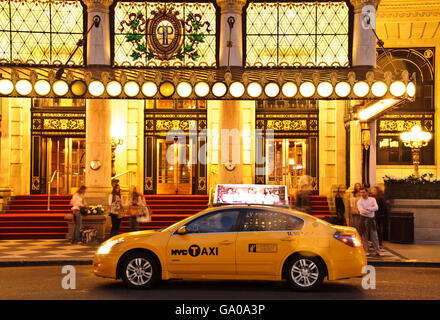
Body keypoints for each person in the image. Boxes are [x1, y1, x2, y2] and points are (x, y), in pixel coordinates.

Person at [357, 187, 381, 256]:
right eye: (361, 192)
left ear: (367, 192)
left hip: (371, 219)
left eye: (363, 192)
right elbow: (362, 211)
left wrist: (367, 208)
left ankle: (377, 251)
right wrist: (371, 209)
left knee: (374, 236)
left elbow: (376, 208)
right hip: (363, 219)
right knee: (365, 236)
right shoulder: (359, 201)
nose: (362, 194)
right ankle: (366, 251)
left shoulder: (372, 199)